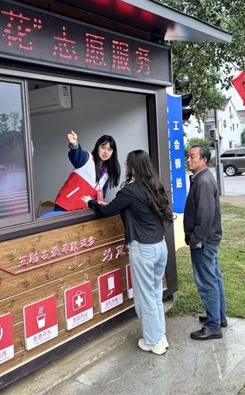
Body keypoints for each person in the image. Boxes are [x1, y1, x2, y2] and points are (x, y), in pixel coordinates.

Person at [82, 150, 173, 355]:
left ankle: (153, 341)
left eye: (127, 164)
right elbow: (122, 207)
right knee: (155, 294)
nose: (125, 167)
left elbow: (106, 210)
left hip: (144, 249)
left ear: (134, 167)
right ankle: (160, 336)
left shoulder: (131, 190)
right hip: (160, 247)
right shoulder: (155, 186)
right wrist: (110, 205)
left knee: (146, 297)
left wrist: (90, 202)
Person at [184, 145, 227, 340]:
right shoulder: (203, 178)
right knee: (214, 278)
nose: (188, 160)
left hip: (204, 241)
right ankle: (218, 316)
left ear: (204, 160)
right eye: (188, 156)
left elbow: (206, 214)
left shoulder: (203, 181)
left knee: (207, 282)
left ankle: (213, 326)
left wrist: (196, 239)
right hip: (209, 239)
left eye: (192, 156)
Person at [54, 131, 120, 211]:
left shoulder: (107, 173)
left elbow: (101, 196)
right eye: (103, 147)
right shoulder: (87, 158)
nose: (106, 152)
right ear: (97, 147)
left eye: (109, 149)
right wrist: (75, 145)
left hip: (82, 210)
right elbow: (77, 156)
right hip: (66, 205)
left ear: (113, 153)